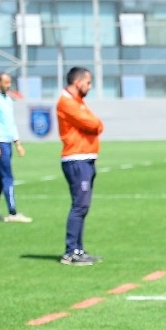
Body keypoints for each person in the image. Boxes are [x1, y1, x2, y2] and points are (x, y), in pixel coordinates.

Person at [57, 67, 104, 266]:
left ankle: (78, 249)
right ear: (78, 82)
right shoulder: (66, 102)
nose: (90, 86)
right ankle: (70, 253)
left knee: (83, 207)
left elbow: (96, 124)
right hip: (76, 159)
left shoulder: (77, 101)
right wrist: (96, 125)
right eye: (88, 82)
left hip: (85, 158)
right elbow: (93, 124)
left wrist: (96, 125)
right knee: (79, 206)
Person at [0, 72, 32, 223]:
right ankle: (12, 213)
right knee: (8, 177)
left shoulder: (8, 99)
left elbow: (10, 123)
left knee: (0, 178)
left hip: (7, 142)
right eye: (6, 82)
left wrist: (17, 142)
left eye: (9, 82)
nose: (8, 85)